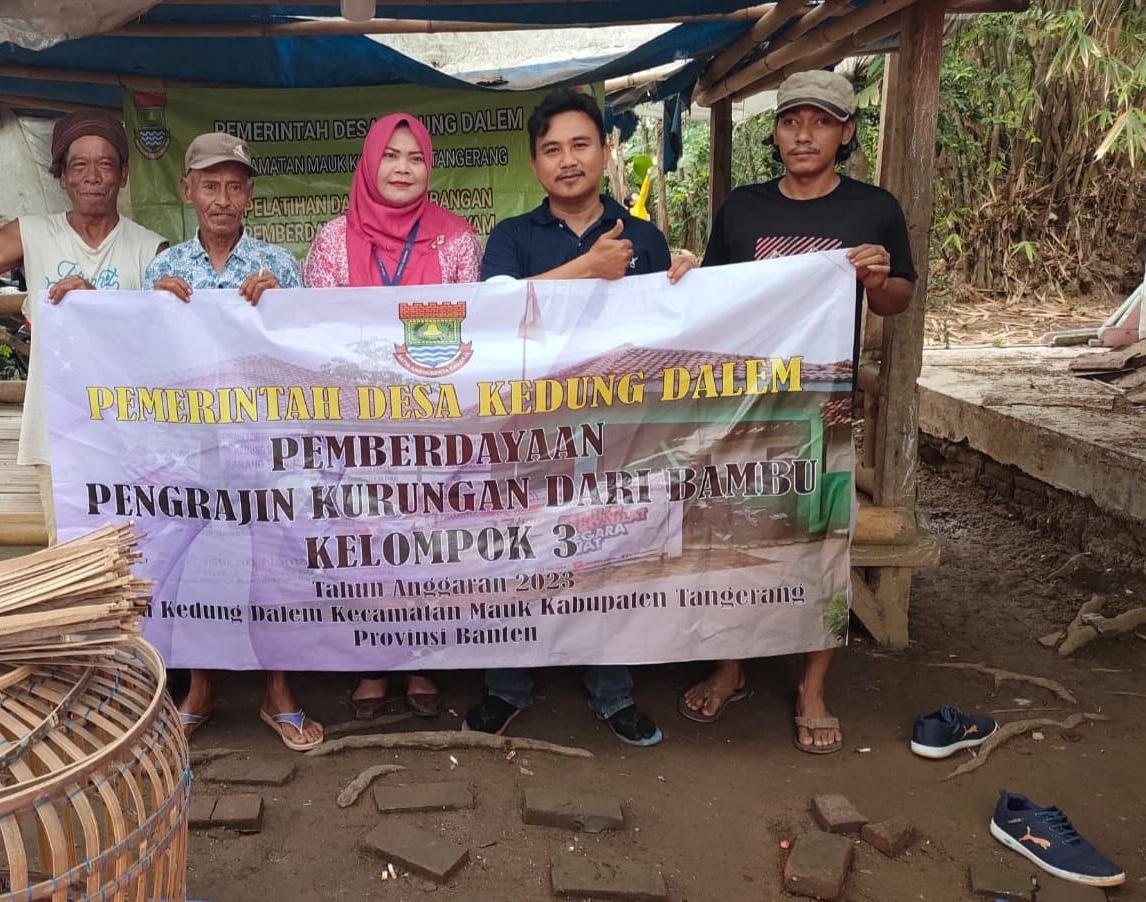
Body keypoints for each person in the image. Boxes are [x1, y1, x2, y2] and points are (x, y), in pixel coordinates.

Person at [669, 70, 916, 754]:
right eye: (790, 121)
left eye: (821, 121)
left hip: (825, 408)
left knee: (819, 543)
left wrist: (876, 278)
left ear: (845, 132)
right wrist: (688, 267)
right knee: (735, 535)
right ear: (774, 132)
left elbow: (897, 301)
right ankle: (730, 667)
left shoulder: (874, 209)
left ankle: (812, 688)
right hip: (747, 404)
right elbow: (714, 297)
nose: (804, 134)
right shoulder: (743, 209)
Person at [464, 87, 670, 747]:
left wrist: (685, 276)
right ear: (535, 165)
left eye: (581, 144)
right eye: (551, 149)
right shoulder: (513, 237)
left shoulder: (643, 239)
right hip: (524, 429)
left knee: (607, 549)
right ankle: (507, 686)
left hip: (613, 429)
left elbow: (668, 328)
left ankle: (613, 692)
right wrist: (589, 267)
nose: (568, 159)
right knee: (516, 550)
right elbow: (494, 312)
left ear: (605, 151)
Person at [142, 132, 320, 751]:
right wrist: (150, 312)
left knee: (271, 562)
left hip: (262, 442)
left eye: (234, 186)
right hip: (192, 444)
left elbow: (304, 358)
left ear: (250, 195)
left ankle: (278, 691)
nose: (222, 198)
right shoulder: (165, 270)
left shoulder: (280, 265)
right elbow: (142, 360)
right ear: (188, 191)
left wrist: (281, 307)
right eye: (210, 185)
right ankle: (200, 687)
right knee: (196, 562)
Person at [302, 113, 482, 719]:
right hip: (358, 426)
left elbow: (470, 331)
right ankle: (371, 662)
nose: (403, 168)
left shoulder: (456, 239)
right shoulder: (332, 241)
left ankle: (424, 661)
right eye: (392, 155)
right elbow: (320, 339)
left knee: (429, 542)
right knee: (365, 540)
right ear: (370, 162)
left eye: (416, 158)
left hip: (434, 423)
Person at [0, 113, 168, 544]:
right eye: (78, 165)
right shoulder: (33, 234)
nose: (92, 176)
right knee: (71, 560)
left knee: (141, 555)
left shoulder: (149, 247)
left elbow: (162, 342)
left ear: (123, 174)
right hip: (58, 434)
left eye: (105, 164)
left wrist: (97, 307)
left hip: (130, 436)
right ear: (61, 176)